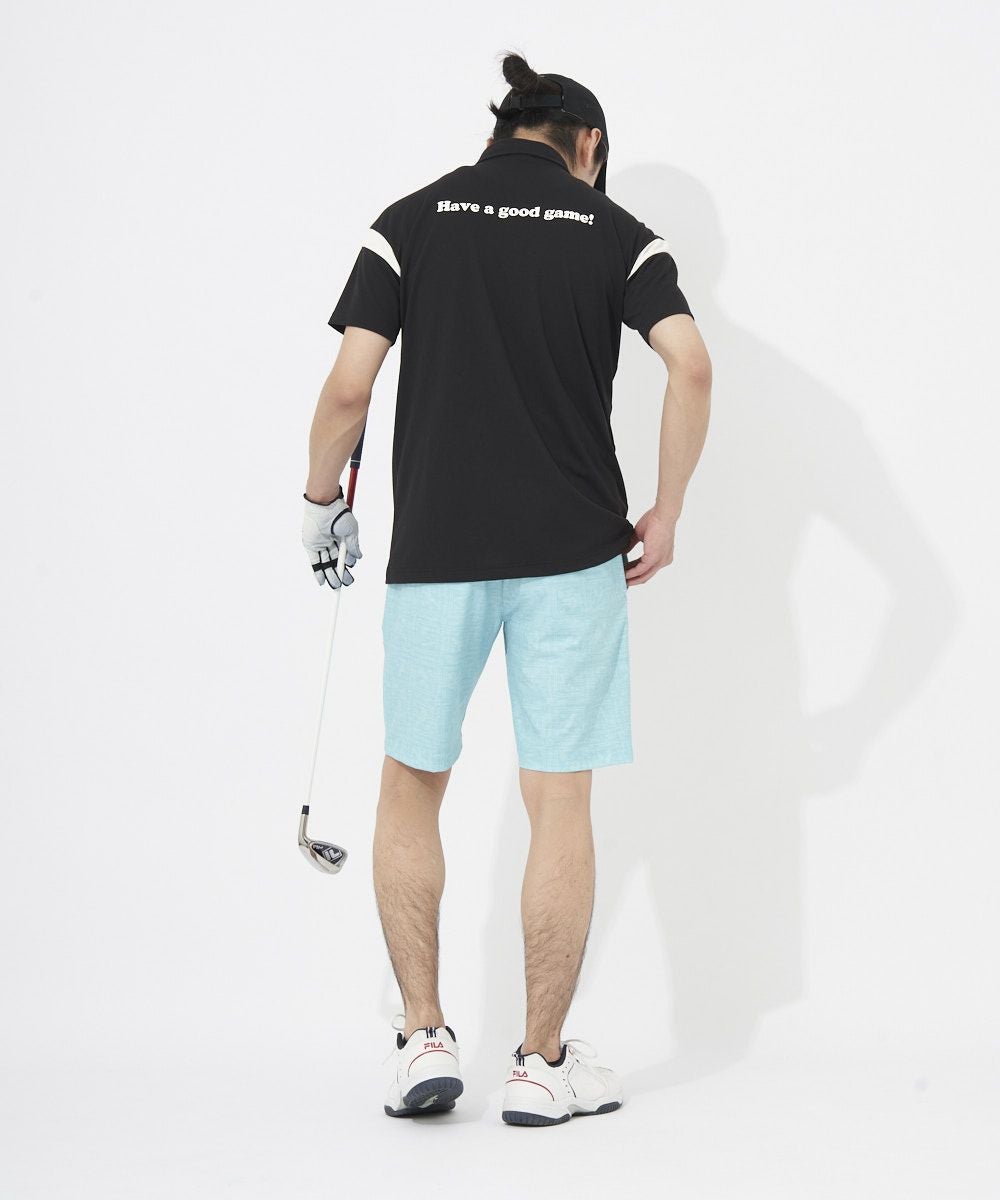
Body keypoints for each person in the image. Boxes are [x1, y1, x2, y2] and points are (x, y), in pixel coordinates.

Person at [301, 52, 712, 1126]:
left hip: (437, 551)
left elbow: (348, 389)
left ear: (502, 133)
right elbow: (691, 363)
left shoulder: (410, 221)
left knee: (411, 781)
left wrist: (319, 502)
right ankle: (539, 1065)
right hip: (573, 554)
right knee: (559, 797)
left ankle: (421, 1040)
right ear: (587, 146)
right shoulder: (617, 234)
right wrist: (666, 510)